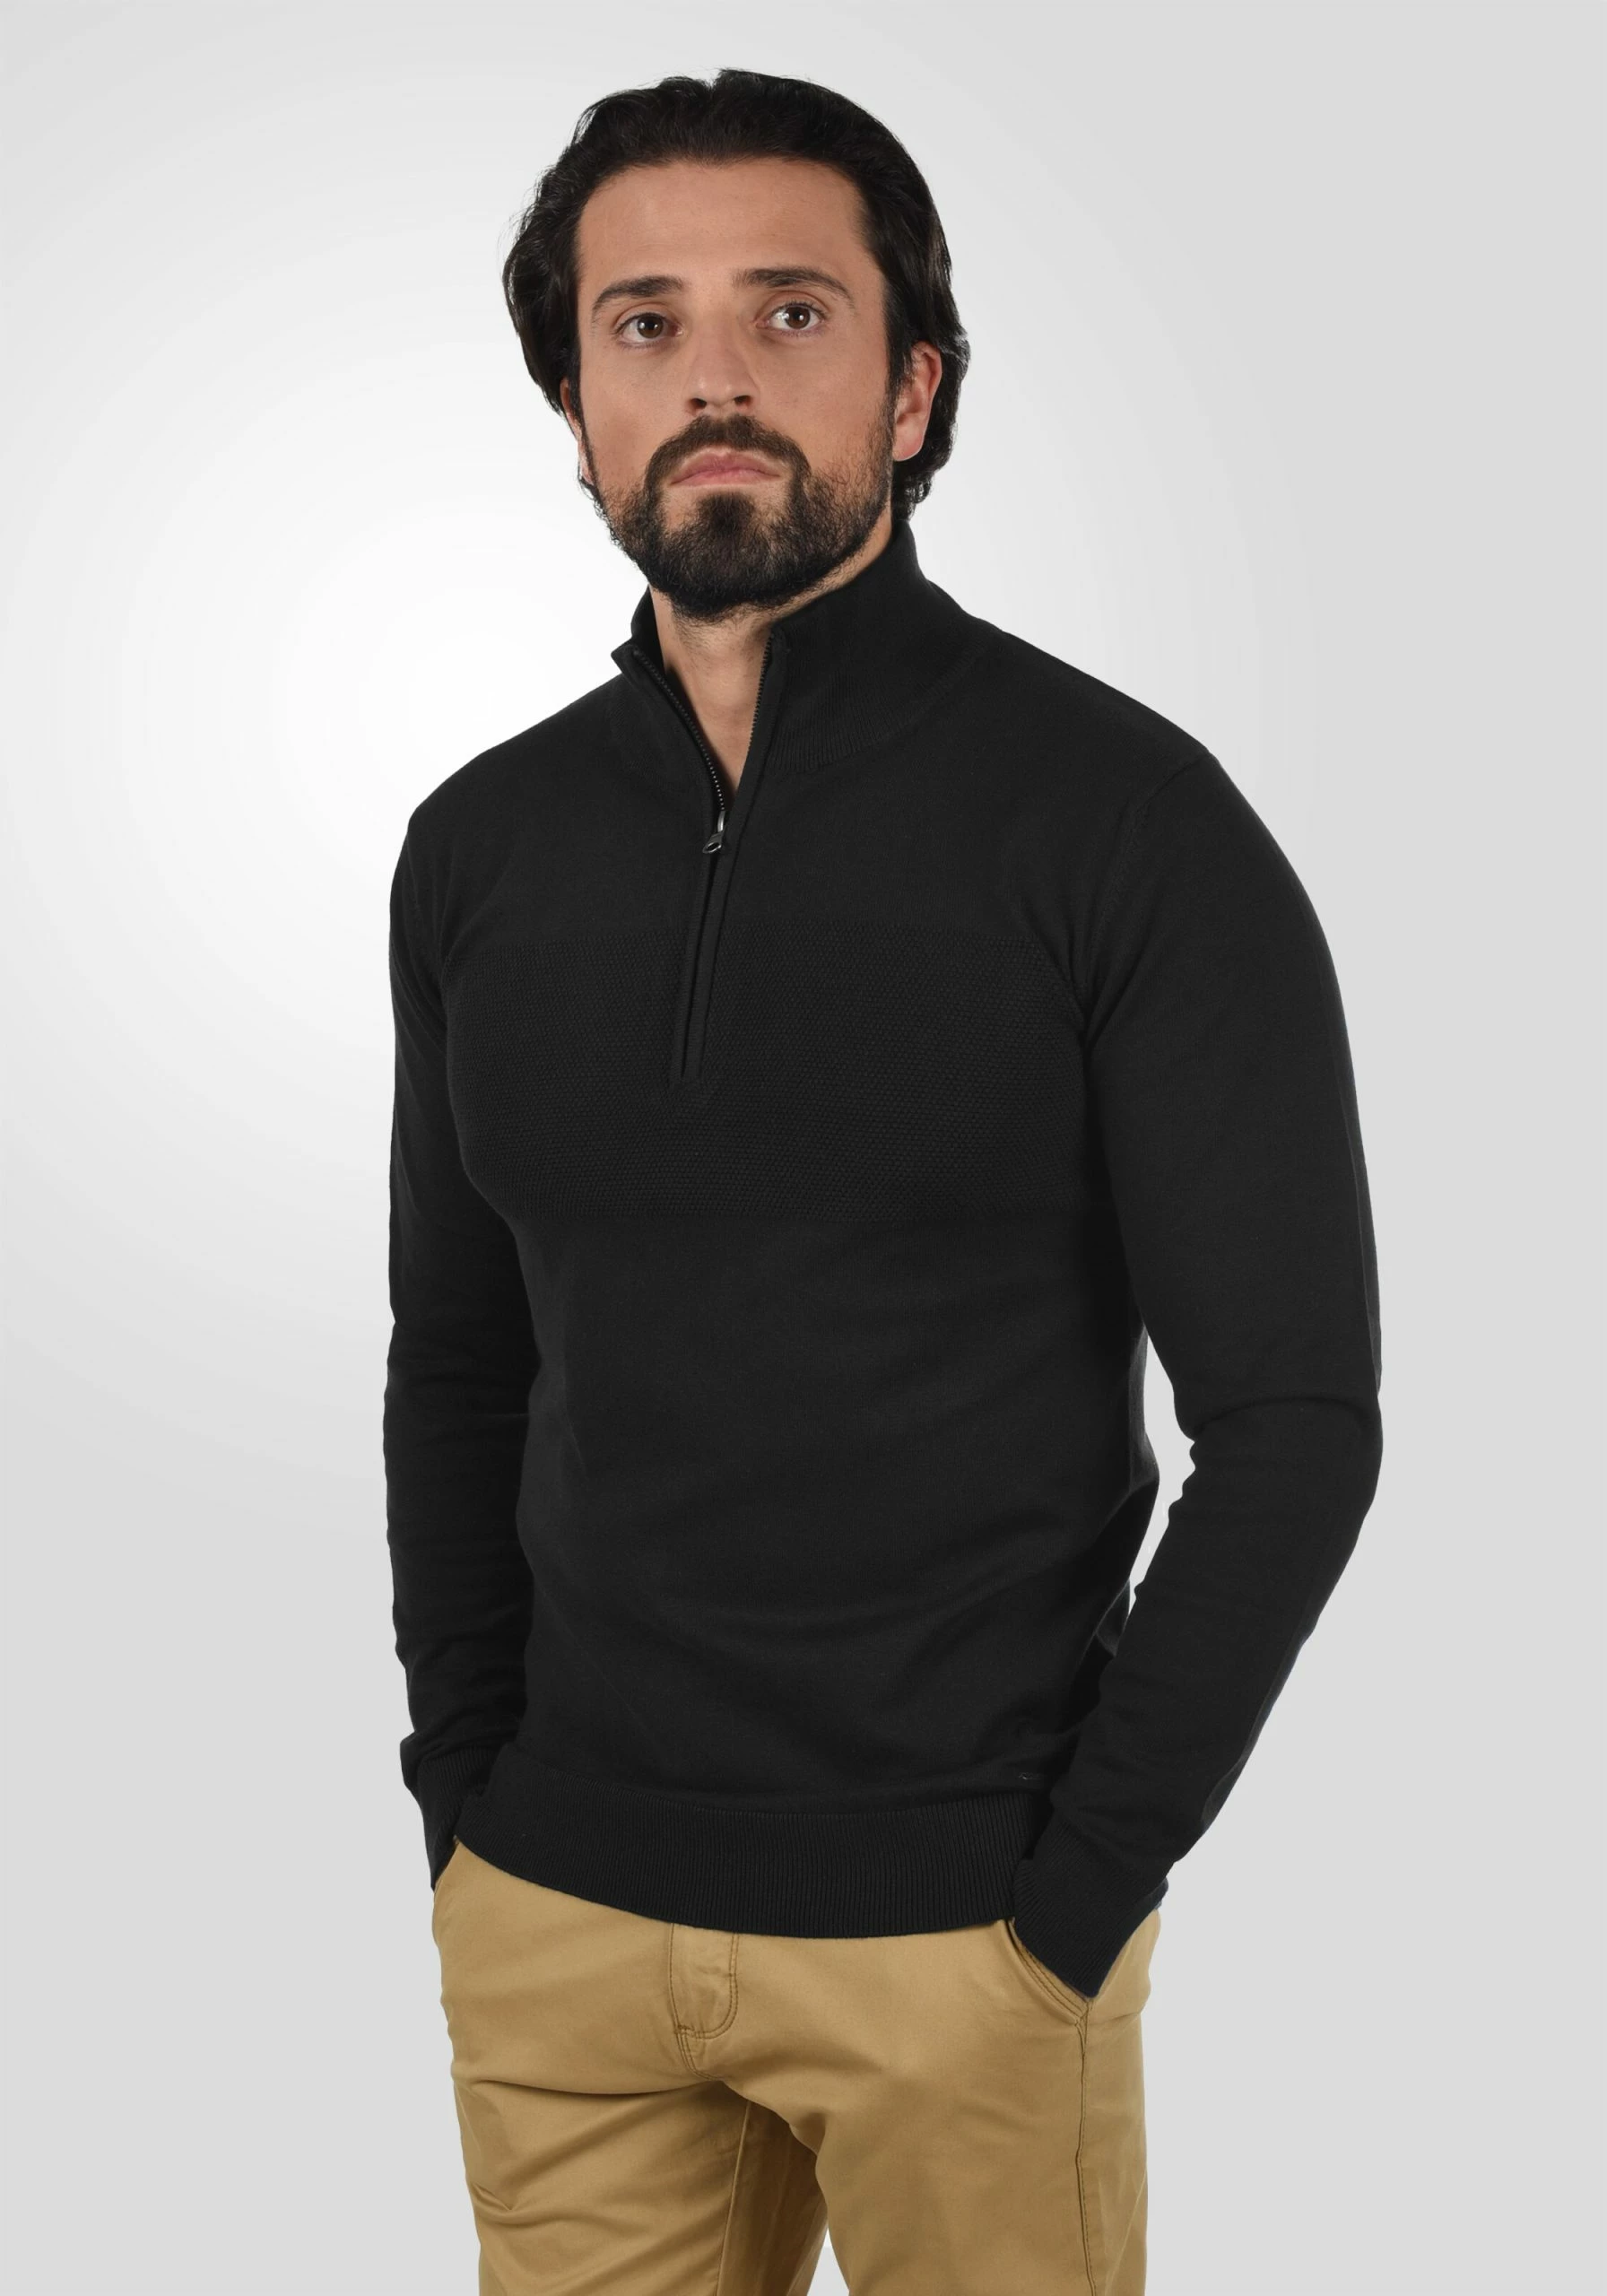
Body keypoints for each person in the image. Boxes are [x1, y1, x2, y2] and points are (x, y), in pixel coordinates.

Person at [384, 65, 1384, 2296]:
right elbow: (454, 1361)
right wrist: (469, 1803)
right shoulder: (477, 850)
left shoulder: (1124, 827)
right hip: (560, 1928)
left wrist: (1071, 1895)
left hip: (963, 1943)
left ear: (912, 387)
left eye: (790, 313)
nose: (711, 378)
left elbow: (1294, 1419)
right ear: (572, 404)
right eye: (642, 323)